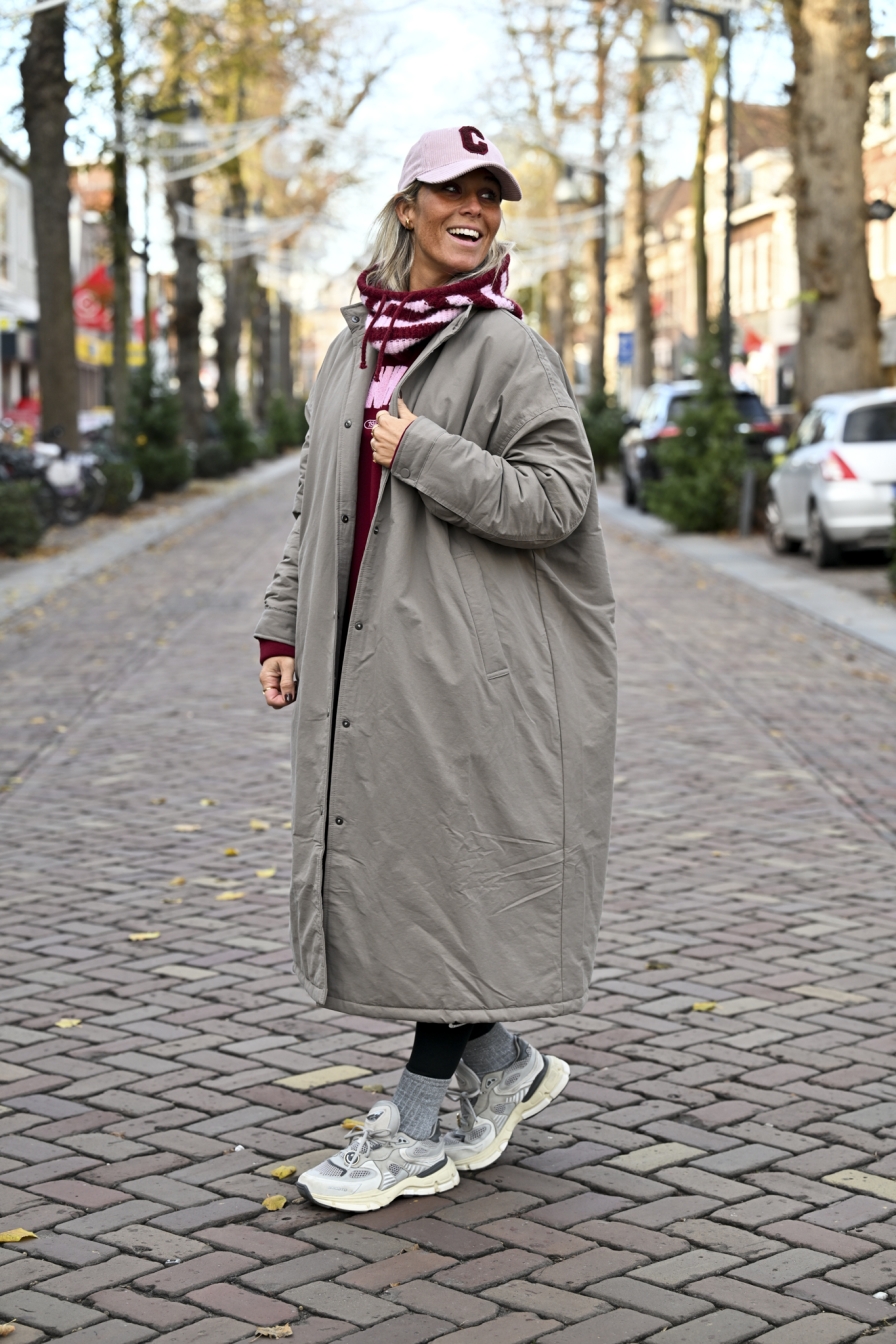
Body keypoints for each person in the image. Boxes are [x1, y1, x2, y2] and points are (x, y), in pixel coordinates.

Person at [255, 125, 617, 1212]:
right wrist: (282, 625)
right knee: (410, 876)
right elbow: (317, 505)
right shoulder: (353, 348)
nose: (475, 210)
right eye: (452, 191)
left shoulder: (507, 348)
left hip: (469, 667)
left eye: (490, 196)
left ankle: (412, 1128)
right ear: (405, 208)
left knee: (443, 883)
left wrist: (422, 450)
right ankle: (503, 1066)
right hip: (368, 661)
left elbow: (560, 500)